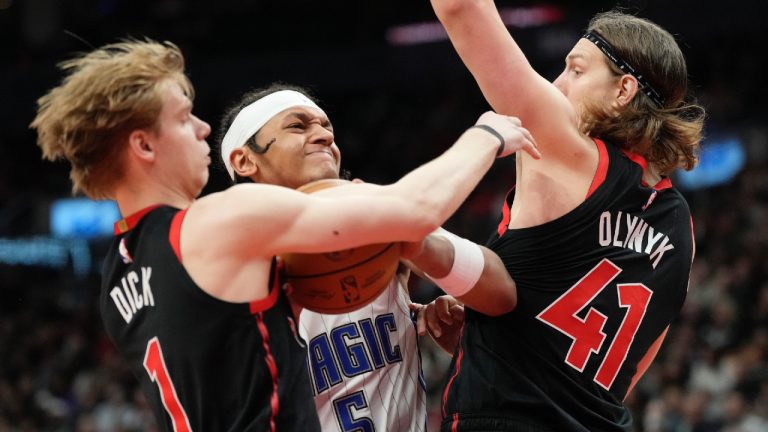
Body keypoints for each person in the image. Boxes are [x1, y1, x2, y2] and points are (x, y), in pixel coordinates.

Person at [29, 39, 540, 431]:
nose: (203, 128)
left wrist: (410, 316)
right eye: (184, 119)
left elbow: (234, 345)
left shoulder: (119, 277)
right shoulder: (220, 225)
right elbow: (417, 208)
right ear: (143, 145)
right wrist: (488, 135)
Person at [405, 1, 706, 431]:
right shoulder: (682, 227)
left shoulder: (564, 148)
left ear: (624, 91)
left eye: (576, 71)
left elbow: (461, 9)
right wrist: (494, 342)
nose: (557, 84)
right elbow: (615, 377)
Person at [218, 83, 430, 431]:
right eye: (297, 126)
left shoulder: (374, 222)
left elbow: (497, 287)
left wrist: (450, 308)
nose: (323, 136)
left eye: (326, 127)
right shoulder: (228, 276)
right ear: (244, 160)